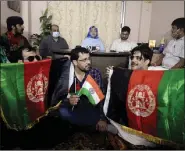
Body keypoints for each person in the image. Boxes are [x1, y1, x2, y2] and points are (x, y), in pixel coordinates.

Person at [58, 46, 107, 132]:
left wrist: (102, 118)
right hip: (73, 108)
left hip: (89, 106)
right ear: (75, 62)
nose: (88, 62)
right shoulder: (67, 75)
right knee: (63, 112)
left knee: (90, 115)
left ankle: (80, 127)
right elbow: (58, 98)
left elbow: (100, 97)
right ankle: (88, 126)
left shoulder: (94, 72)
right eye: (84, 60)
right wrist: (69, 101)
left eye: (88, 59)